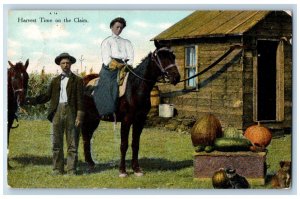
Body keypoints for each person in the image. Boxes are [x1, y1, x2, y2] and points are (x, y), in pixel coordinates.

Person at [26, 53, 84, 175]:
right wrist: (30, 100)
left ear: (71, 64)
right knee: (56, 143)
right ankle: (57, 169)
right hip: (57, 111)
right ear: (59, 65)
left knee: (72, 142)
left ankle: (71, 169)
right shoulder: (55, 81)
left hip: (71, 112)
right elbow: (46, 96)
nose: (65, 65)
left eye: (68, 63)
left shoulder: (78, 80)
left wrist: (79, 116)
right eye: (63, 63)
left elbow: (80, 100)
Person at [92, 17, 134, 118]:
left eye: (121, 28)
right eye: (117, 27)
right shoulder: (107, 42)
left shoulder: (127, 42)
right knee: (110, 84)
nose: (119, 29)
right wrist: (117, 65)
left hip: (125, 66)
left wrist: (127, 65)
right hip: (110, 68)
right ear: (111, 27)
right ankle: (107, 111)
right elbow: (106, 60)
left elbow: (131, 58)